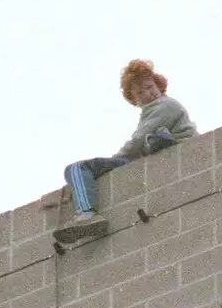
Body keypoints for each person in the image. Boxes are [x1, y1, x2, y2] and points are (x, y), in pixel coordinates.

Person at [53, 60, 198, 245]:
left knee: (77, 169)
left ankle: (86, 214)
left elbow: (137, 142)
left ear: (159, 85)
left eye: (149, 86)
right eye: (140, 92)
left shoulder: (166, 105)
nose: (147, 93)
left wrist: (114, 161)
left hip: (173, 151)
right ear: (134, 100)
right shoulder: (155, 110)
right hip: (161, 154)